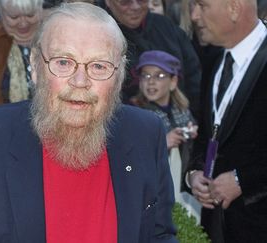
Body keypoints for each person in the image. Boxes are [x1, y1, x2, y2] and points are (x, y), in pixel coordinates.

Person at [0, 3, 177, 242]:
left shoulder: (145, 133)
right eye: (63, 62)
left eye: (98, 66)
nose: (80, 81)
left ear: (119, 75)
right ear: (35, 66)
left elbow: (159, 235)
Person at [187, 0, 267, 242]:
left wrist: (244, 180)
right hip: (217, 226)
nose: (194, 15)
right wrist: (194, 172)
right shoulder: (212, 57)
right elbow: (208, 133)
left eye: (202, 5)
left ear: (234, 8)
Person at [104, 0, 201, 119]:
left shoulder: (167, 28)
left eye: (142, 0)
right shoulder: (101, 35)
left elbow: (195, 78)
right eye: (125, 2)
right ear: (108, 2)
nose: (135, 7)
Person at [133, 50, 197, 188]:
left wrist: (194, 132)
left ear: (173, 82)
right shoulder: (134, 114)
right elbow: (131, 154)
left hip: (183, 183)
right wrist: (163, 143)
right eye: (146, 75)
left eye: (160, 76)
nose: (151, 81)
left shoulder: (182, 109)